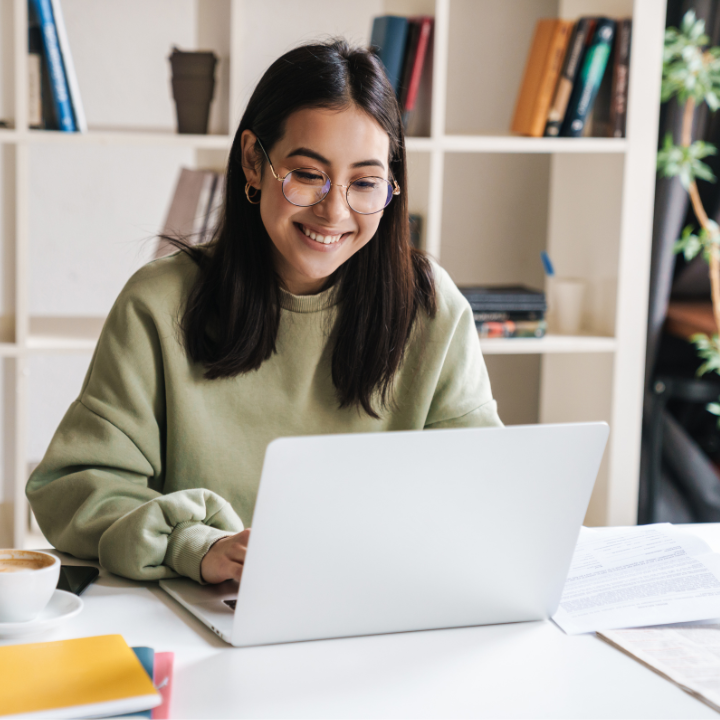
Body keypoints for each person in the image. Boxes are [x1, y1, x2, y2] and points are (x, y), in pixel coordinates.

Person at [26, 39, 501, 586]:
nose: (334, 210)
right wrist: (193, 544)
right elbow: (75, 486)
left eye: (365, 182)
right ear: (254, 161)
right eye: (306, 174)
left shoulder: (431, 308)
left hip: (380, 605)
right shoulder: (159, 305)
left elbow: (481, 489)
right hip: (206, 610)